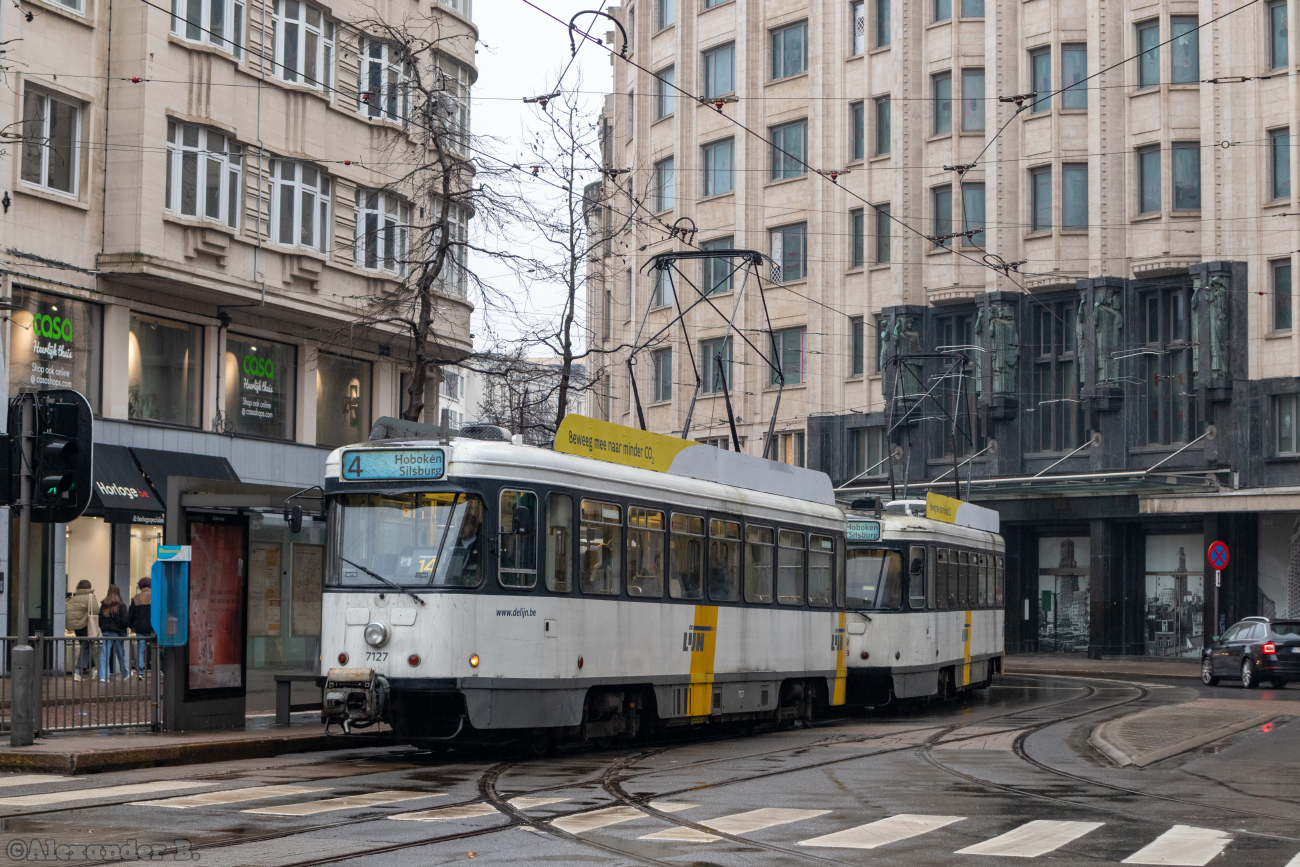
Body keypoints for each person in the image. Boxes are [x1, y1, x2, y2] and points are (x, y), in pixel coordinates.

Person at [64, 580, 99, 682]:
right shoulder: (90, 597)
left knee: (85, 647)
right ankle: (78, 672)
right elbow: (96, 611)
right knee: (85, 648)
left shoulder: (73, 598)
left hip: (76, 628)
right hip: (85, 626)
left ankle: (93, 669)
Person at [97, 585, 129, 682]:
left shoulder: (103, 605)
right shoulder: (121, 605)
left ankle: (103, 676)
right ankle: (125, 673)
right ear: (118, 593)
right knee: (120, 654)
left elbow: (100, 621)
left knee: (104, 655)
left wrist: (103, 628)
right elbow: (125, 621)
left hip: (106, 633)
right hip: (118, 633)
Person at [444, 505, 481, 585]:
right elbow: (446, 566)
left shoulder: (480, 545)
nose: (461, 527)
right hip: (454, 584)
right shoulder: (453, 544)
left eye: (466, 525)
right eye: (461, 524)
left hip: (475, 586)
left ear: (475, 529)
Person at [128, 577, 153, 680]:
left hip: (140, 628)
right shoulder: (155, 596)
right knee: (155, 648)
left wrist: (131, 626)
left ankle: (140, 672)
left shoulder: (136, 598)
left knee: (140, 650)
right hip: (153, 628)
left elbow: (131, 615)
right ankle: (158, 669)